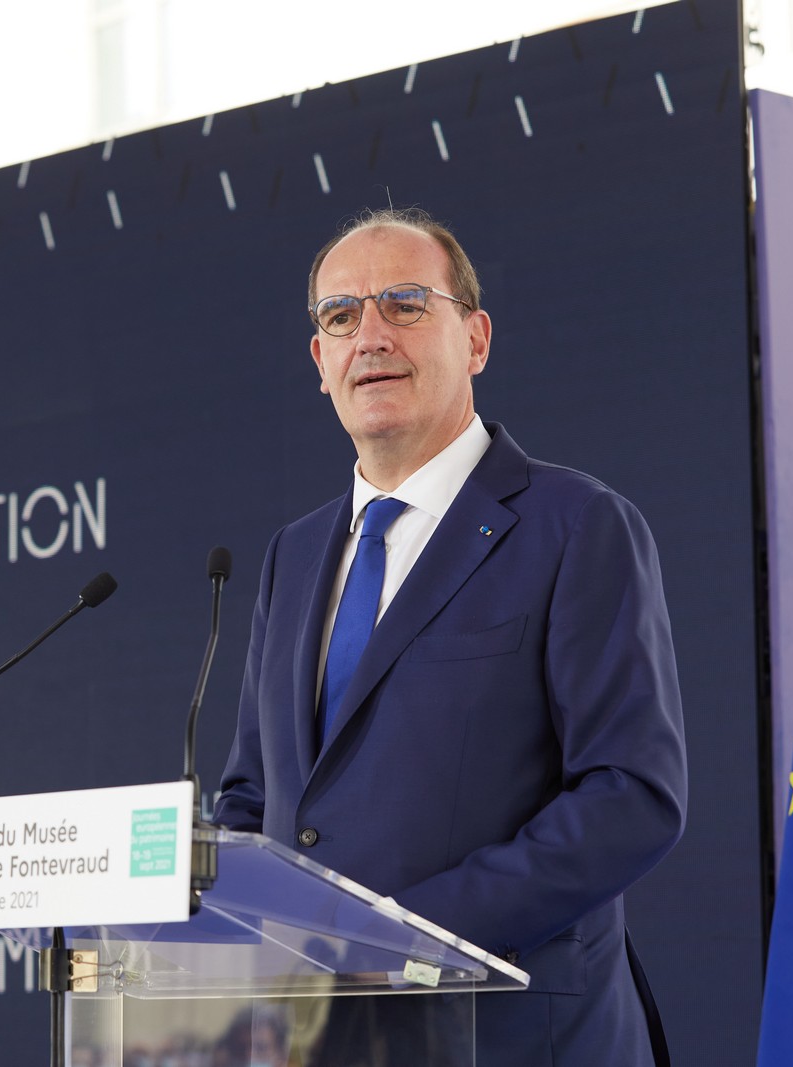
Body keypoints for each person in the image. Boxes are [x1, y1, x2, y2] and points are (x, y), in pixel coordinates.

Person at [213, 207, 688, 1065]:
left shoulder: (577, 524)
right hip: (323, 1040)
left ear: (476, 339)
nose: (370, 335)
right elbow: (253, 797)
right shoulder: (294, 554)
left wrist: (403, 935)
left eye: (404, 303)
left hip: (511, 1035)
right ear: (319, 360)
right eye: (341, 315)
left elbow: (631, 795)